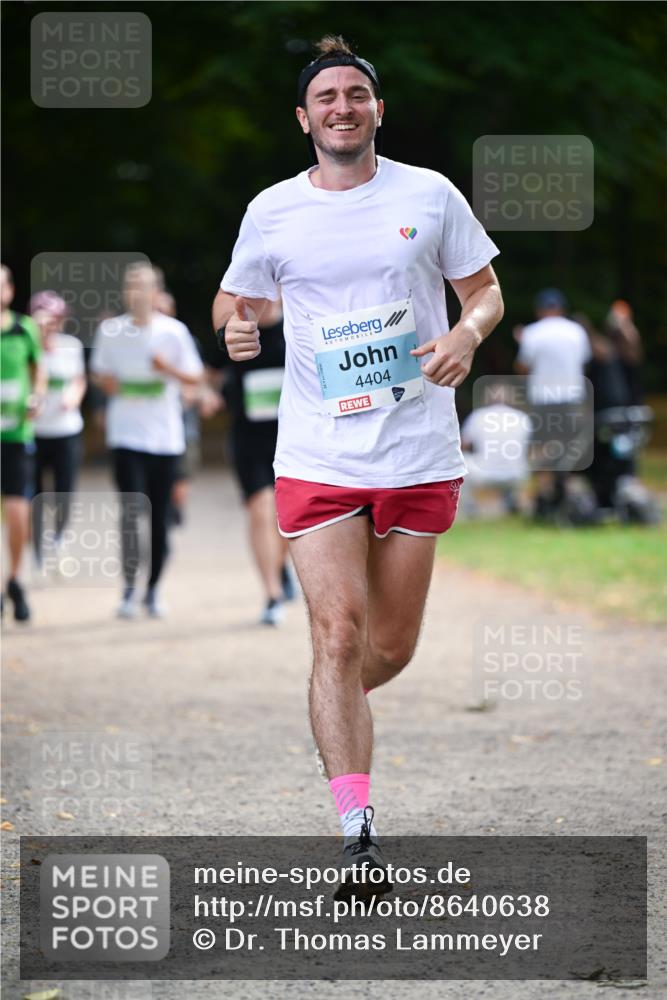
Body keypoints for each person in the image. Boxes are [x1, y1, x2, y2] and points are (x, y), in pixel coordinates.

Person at [212, 35, 502, 895]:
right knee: (335, 637)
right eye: (325, 98)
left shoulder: (430, 194)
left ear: (378, 108)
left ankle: (331, 703)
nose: (342, 107)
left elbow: (483, 291)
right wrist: (235, 323)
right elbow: (239, 294)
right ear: (303, 118)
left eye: (356, 95)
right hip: (316, 448)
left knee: (389, 646)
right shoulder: (272, 209)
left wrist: (464, 334)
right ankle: (357, 835)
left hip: (416, 447)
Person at [90, 263, 204, 618]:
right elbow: (98, 372)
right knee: (130, 513)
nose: (138, 292)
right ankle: (127, 588)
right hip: (125, 436)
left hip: (165, 439)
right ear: (125, 292)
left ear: (157, 292)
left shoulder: (174, 332)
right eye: (132, 285)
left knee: (159, 519)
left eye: (145, 286)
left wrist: (165, 369)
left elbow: (195, 378)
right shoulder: (111, 331)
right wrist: (105, 383)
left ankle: (153, 589)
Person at [210, 296, 295, 626]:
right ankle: (272, 595)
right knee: (261, 509)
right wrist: (205, 394)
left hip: (293, 440)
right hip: (248, 439)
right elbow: (210, 374)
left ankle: (279, 565)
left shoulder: (299, 325)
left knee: (287, 517)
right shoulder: (238, 328)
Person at [515, 289, 591, 519]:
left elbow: (522, 367)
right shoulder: (576, 331)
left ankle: (544, 497)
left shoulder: (531, 332)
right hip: (572, 398)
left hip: (543, 399)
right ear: (562, 309)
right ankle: (566, 496)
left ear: (540, 310)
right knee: (568, 449)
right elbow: (584, 360)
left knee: (541, 449)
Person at [28, 291, 86, 568]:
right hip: (35, 432)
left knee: (65, 492)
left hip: (66, 431)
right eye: (46, 321)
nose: (52, 326)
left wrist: (74, 395)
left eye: (57, 320)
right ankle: (38, 549)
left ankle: (59, 538)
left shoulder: (70, 346)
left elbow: (78, 379)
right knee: (36, 493)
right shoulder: (26, 348)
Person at [1, 264, 45, 621]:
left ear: (10, 291)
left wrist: (37, 397)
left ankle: (14, 578)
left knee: (17, 513)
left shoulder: (24, 328)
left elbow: (38, 370)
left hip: (15, 435)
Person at [459, 382, 531, 517]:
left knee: (461, 461)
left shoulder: (478, 416)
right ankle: (511, 498)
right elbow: (528, 449)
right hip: (517, 475)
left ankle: (469, 505)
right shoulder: (522, 418)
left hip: (484, 475)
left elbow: (464, 445)